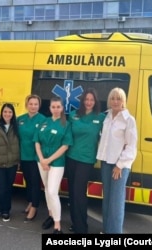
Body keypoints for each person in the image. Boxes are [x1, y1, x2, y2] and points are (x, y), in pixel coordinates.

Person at [96, 87, 137, 234]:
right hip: (106, 162)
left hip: (119, 165)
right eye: (112, 98)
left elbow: (131, 146)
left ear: (123, 101)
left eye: (118, 98)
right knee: (107, 198)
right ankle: (107, 230)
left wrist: (119, 165)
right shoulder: (106, 117)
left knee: (116, 201)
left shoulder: (128, 120)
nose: (115, 101)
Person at [66, 88, 105, 234]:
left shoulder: (101, 118)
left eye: (91, 100)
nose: (89, 102)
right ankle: (75, 223)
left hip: (86, 160)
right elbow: (67, 136)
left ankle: (82, 228)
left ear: (95, 102)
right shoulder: (73, 115)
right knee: (72, 193)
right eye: (86, 99)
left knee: (79, 193)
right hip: (71, 158)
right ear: (82, 101)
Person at [33, 96, 73, 234]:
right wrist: (42, 159)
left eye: (58, 107)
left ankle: (57, 225)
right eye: (53, 107)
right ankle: (50, 215)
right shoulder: (45, 122)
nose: (56, 109)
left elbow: (65, 146)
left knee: (52, 191)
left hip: (56, 162)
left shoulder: (66, 124)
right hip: (41, 160)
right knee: (46, 189)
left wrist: (48, 160)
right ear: (50, 108)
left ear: (62, 108)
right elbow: (36, 141)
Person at [17, 94, 46, 222]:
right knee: (27, 181)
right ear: (26, 105)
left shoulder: (43, 120)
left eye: (36, 104)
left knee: (35, 183)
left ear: (39, 106)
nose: (33, 106)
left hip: (36, 157)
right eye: (31, 104)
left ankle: (34, 207)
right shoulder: (20, 119)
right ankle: (30, 202)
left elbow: (44, 140)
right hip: (23, 155)